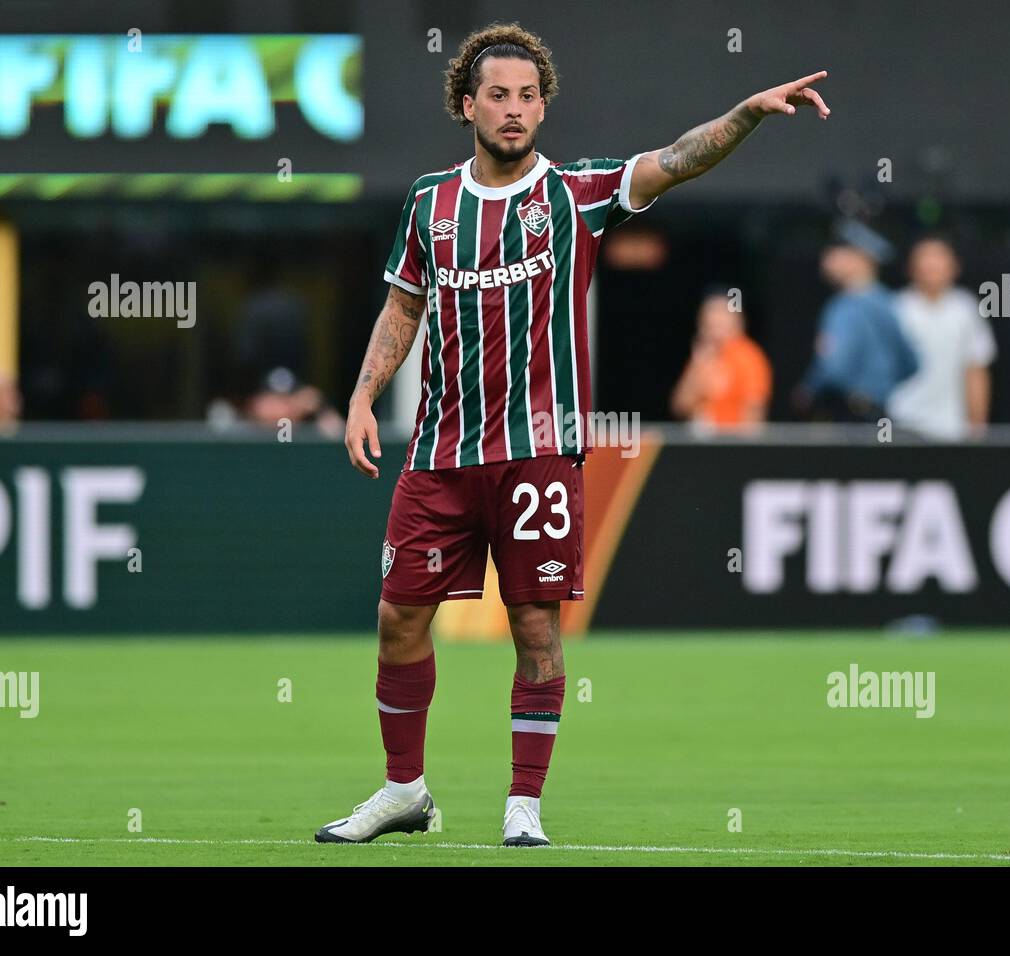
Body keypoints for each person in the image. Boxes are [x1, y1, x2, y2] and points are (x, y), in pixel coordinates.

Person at [320, 21, 831, 847]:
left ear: (543, 107)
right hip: (442, 455)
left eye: (528, 96)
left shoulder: (575, 194)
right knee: (397, 618)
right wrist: (360, 397)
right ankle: (403, 790)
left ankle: (524, 803)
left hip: (539, 454)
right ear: (466, 105)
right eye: (498, 96)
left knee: (534, 625)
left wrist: (744, 114)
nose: (515, 110)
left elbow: (678, 157)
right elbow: (404, 305)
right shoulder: (429, 202)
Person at [798, 226, 917, 422]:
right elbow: (911, 363)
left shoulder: (843, 307)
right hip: (880, 414)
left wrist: (810, 388)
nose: (826, 261)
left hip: (847, 416)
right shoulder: (888, 302)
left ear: (860, 258)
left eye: (835, 254)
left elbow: (835, 367)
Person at [887, 238, 996, 441]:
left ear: (954, 267)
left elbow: (975, 369)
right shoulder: (895, 308)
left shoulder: (965, 308)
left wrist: (977, 427)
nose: (932, 264)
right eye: (925, 258)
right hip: (901, 424)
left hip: (951, 430)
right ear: (912, 267)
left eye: (939, 257)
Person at [670, 289, 772, 431]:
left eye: (720, 320)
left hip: (730, 442)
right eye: (709, 324)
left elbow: (753, 413)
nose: (714, 328)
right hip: (702, 440)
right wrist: (697, 368)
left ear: (736, 322)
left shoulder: (748, 357)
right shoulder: (704, 357)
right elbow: (680, 406)